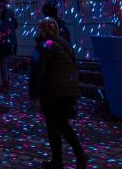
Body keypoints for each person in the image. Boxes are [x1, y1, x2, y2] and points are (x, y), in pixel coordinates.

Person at [30, 18, 87, 169]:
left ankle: (57, 160)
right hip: (68, 91)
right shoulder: (65, 44)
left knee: (53, 127)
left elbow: (38, 71)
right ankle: (79, 153)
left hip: (52, 92)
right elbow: (74, 66)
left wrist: (34, 92)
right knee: (63, 125)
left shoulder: (43, 46)